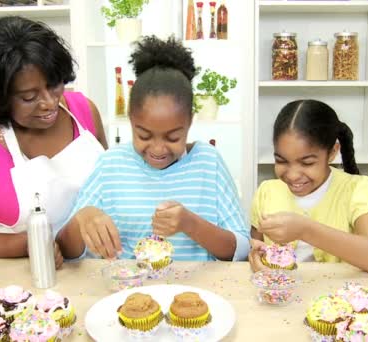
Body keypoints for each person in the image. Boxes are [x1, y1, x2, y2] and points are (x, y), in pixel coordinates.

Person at [0, 16, 107, 267]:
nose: (49, 103)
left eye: (54, 84)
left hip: (101, 272)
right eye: (28, 97)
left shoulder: (83, 111)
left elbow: (111, 185)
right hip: (23, 287)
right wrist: (28, 244)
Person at [56, 36, 249, 261]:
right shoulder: (111, 165)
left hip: (195, 293)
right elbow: (66, 250)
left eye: (173, 137)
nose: (158, 149)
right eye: (144, 135)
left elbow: (243, 249)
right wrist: (82, 218)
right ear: (130, 120)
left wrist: (191, 224)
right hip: (129, 291)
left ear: (190, 122)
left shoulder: (208, 163)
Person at [249, 100, 368, 274]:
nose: (293, 175)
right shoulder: (267, 192)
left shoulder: (359, 189)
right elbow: (256, 247)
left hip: (340, 297)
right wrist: (255, 256)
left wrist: (305, 230)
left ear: (332, 152)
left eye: (307, 163)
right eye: (281, 161)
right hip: (281, 297)